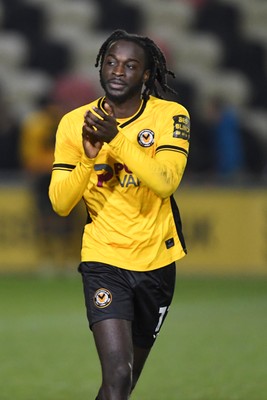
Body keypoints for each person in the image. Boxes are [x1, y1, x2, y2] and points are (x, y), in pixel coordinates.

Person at [49, 30, 190, 400]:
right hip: (103, 259)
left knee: (122, 385)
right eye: (111, 62)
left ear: (146, 75)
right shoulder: (74, 123)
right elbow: (61, 203)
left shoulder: (170, 116)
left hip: (156, 262)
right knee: (116, 374)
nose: (117, 71)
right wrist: (89, 157)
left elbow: (165, 182)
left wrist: (116, 140)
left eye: (130, 66)